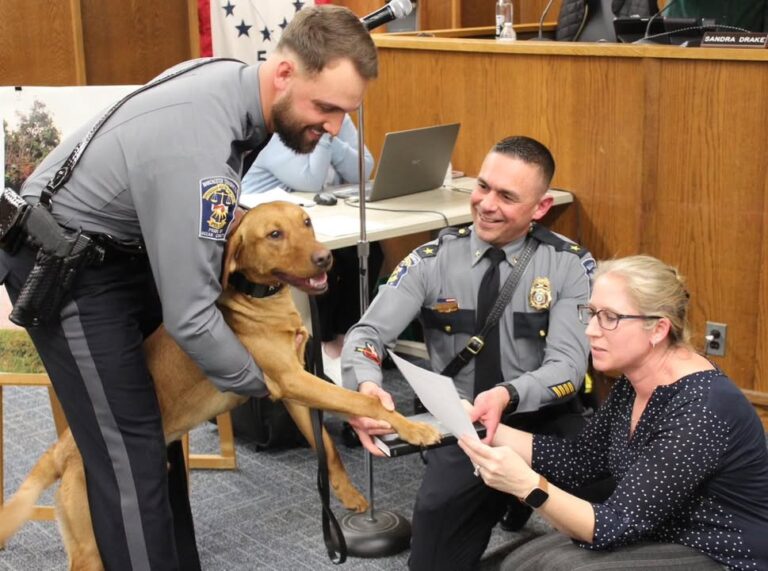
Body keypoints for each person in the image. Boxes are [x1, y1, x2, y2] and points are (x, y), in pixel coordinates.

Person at [0, 6, 377, 570]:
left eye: (344, 114)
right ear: (283, 74)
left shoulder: (235, 89)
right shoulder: (199, 144)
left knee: (154, 442)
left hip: (122, 254)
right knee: (128, 456)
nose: (331, 127)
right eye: (324, 108)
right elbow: (192, 315)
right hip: (66, 269)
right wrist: (274, 379)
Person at [341, 135, 597, 570]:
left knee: (616, 525)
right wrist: (366, 387)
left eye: (507, 196)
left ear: (540, 207)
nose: (487, 204)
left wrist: (507, 395)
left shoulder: (568, 265)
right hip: (463, 427)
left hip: (546, 423)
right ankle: (504, 499)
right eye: (483, 186)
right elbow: (367, 334)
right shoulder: (432, 259)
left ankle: (516, 498)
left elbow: (569, 369)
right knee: (431, 562)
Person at [460, 255, 768, 570]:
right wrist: (480, 426)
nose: (591, 330)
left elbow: (612, 526)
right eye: (591, 314)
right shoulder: (633, 382)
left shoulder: (703, 406)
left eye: (609, 317)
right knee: (512, 564)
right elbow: (580, 459)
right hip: (661, 529)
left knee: (556, 568)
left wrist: (526, 485)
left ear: (658, 328)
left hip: (725, 553)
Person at [240, 114, 382, 359]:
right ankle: (323, 342)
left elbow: (363, 170)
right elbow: (311, 182)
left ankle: (344, 334)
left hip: (308, 219)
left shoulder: (339, 120)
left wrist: (329, 135)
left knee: (370, 251)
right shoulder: (283, 131)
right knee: (324, 261)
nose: (336, 116)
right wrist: (326, 136)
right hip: (266, 232)